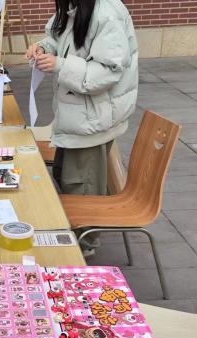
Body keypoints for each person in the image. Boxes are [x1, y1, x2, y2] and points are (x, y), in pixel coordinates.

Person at [25, 0, 138, 256]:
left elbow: (107, 72)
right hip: (79, 117)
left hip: (91, 121)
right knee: (68, 176)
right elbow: (58, 38)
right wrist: (43, 48)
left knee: (82, 185)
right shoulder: (75, 7)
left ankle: (82, 249)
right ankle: (77, 239)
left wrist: (59, 65)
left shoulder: (106, 14)